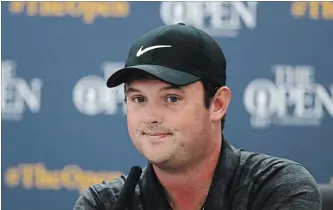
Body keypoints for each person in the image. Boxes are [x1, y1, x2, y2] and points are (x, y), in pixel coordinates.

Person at [73, 23, 322, 210]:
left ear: (217, 104)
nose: (150, 117)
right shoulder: (103, 204)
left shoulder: (277, 189)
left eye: (172, 98)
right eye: (139, 99)